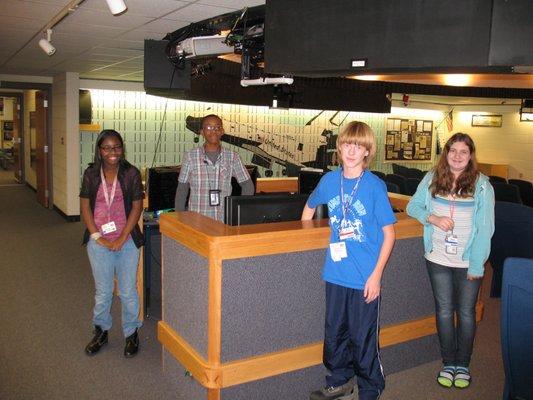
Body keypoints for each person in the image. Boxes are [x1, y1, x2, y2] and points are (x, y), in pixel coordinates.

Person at [302, 121, 396, 400]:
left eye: (359, 146)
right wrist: (305, 234)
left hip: (364, 278)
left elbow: (389, 235)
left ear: (368, 152)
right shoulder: (329, 181)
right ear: (339, 147)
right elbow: (309, 207)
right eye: (347, 144)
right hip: (335, 274)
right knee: (334, 335)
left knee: (363, 338)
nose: (352, 151)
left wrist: (376, 276)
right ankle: (340, 380)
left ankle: (370, 387)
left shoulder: (374, 186)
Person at [406, 132, 495, 389]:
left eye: (463, 152)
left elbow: (486, 228)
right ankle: (448, 363)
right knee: (444, 311)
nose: (457, 156)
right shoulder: (432, 178)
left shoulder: (481, 185)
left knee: (466, 312)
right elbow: (413, 206)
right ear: (446, 153)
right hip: (437, 257)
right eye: (453, 151)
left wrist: (477, 265)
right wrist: (432, 219)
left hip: (468, 261)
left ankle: (463, 364)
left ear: (470, 156)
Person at [80, 129, 144, 358]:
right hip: (99, 242)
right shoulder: (91, 174)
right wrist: (98, 236)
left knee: (127, 291)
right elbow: (85, 205)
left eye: (116, 147)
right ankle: (100, 331)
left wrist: (122, 237)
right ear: (99, 150)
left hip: (126, 241)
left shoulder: (131, 174)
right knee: (103, 292)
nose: (112, 152)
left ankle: (131, 333)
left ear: (121, 148)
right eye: (106, 148)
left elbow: (137, 206)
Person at [174, 114, 254, 221]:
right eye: (209, 127)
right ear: (202, 132)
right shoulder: (190, 156)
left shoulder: (232, 156)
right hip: (196, 221)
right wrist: (179, 218)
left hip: (223, 220)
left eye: (217, 127)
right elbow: (182, 190)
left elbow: (248, 185)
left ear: (222, 131)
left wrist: (240, 212)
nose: (214, 131)